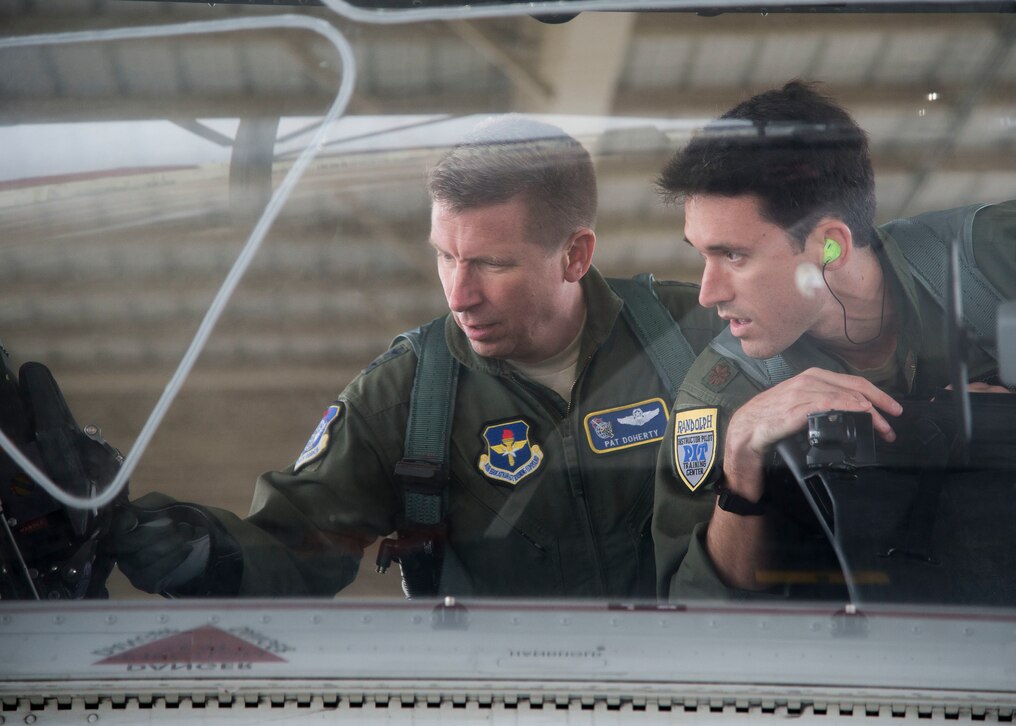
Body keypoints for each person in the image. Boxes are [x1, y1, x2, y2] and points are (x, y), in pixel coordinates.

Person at [109, 115, 723, 599]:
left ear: (575, 255)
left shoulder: (699, 334)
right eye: (445, 256)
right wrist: (184, 546)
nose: (458, 294)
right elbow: (293, 548)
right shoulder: (402, 400)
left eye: (491, 263)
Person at [651, 81, 1016, 602]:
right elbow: (692, 620)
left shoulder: (1000, 264)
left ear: (829, 247)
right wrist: (742, 464)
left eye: (734, 256)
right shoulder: (725, 396)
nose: (707, 293)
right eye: (701, 255)